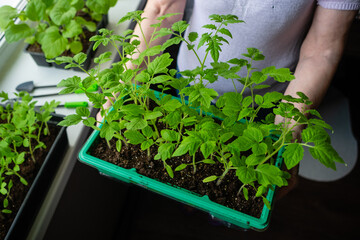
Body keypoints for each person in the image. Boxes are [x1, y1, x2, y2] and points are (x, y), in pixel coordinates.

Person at [98, 0, 360, 198]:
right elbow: (161, 8)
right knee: (185, 170)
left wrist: (287, 132)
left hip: (267, 103)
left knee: (235, 186)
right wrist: (123, 86)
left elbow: (321, 50)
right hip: (189, 86)